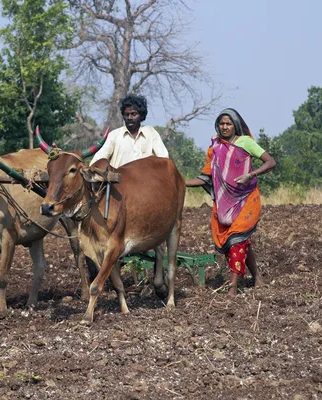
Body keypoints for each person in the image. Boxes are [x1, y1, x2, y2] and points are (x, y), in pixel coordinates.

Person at [185, 108, 276, 295]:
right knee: (239, 240)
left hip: (247, 199)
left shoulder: (246, 142)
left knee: (236, 240)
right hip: (224, 202)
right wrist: (180, 182)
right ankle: (257, 277)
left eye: (228, 123)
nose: (224, 127)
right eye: (221, 124)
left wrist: (250, 174)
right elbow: (205, 177)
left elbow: (270, 162)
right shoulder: (215, 147)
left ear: (235, 125)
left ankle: (233, 287)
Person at [90, 94, 168, 168]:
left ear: (141, 115)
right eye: (126, 114)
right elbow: (98, 159)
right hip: (120, 181)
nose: (129, 118)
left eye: (133, 114)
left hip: (147, 181)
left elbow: (164, 160)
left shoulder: (151, 133)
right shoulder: (114, 135)